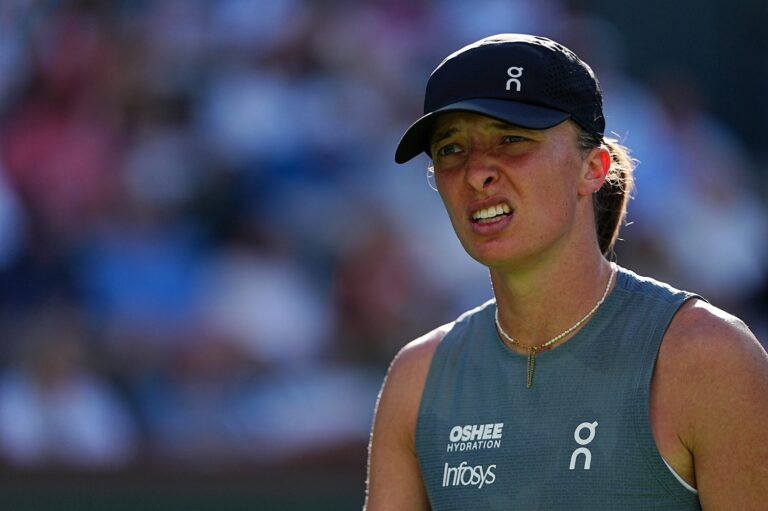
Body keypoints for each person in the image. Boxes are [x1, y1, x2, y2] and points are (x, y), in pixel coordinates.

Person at [364, 34, 768, 510]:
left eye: (512, 139)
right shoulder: (418, 377)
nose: (476, 173)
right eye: (451, 149)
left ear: (592, 168)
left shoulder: (710, 357)